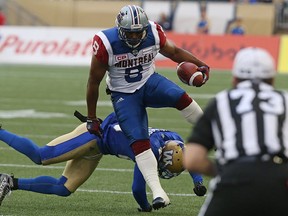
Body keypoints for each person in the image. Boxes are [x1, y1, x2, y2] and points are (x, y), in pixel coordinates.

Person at [85, 5, 210, 209]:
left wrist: (202, 64)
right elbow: (93, 82)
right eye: (130, 33)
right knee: (139, 141)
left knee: (179, 96)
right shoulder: (106, 42)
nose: (134, 37)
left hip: (149, 82)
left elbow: (174, 52)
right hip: (124, 94)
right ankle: (158, 192)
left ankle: (212, 133)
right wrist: (91, 117)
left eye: (138, 32)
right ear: (119, 29)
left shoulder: (153, 31)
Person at [0, 112, 207, 211]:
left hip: (99, 148)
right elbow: (137, 189)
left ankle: (10, 182)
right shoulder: (149, 151)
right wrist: (146, 207)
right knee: (41, 156)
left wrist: (198, 182)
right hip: (93, 137)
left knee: (64, 188)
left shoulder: (173, 141)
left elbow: (185, 156)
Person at [183, 47, 288, 216]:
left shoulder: (221, 102)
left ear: (235, 79)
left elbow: (193, 159)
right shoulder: (284, 100)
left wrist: (221, 171)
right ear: (272, 79)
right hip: (279, 179)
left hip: (234, 177)